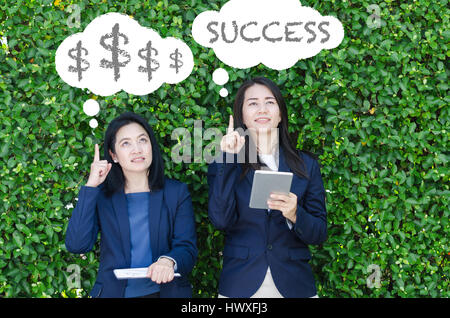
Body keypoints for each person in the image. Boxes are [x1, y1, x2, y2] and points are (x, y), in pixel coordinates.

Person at [208, 77, 327, 298]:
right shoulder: (225, 162)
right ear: (242, 115)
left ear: (280, 113)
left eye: (270, 102)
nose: (262, 109)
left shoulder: (306, 165)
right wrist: (227, 159)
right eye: (252, 103)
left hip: (295, 283)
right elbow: (220, 220)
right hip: (241, 284)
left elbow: (319, 233)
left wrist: (295, 214)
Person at [65, 111, 197, 298]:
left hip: (166, 292)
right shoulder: (103, 197)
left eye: (142, 140)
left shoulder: (176, 192)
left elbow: (187, 247)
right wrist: (91, 186)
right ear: (114, 155)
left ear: (151, 146)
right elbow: (77, 244)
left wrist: (168, 261)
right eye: (126, 143)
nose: (137, 149)